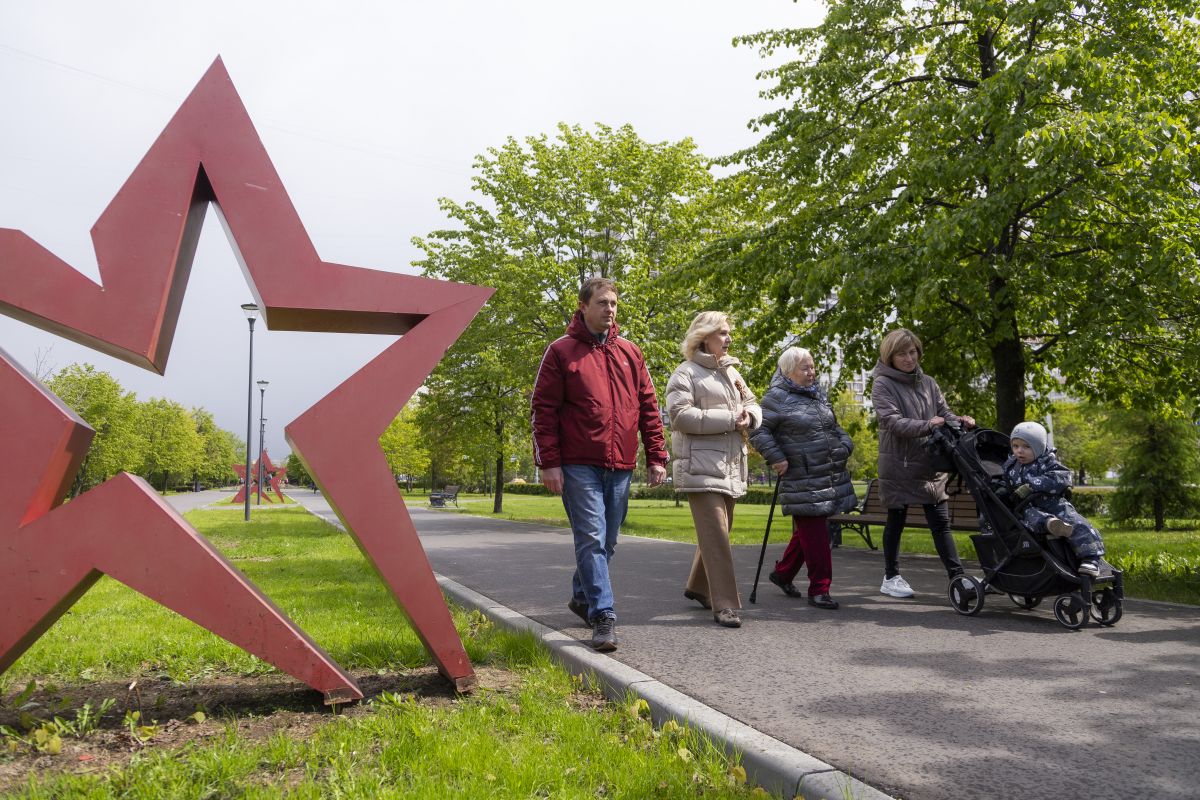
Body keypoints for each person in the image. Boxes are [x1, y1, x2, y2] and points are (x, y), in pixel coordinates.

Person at [531, 277, 669, 651]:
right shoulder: (561, 352)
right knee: (591, 538)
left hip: (621, 464)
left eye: (614, 304)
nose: (610, 309)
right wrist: (549, 463)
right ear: (583, 306)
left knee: (608, 541)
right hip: (578, 464)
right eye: (603, 302)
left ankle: (582, 596)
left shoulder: (630, 353)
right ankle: (603, 616)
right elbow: (543, 411)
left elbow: (649, 409)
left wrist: (657, 456)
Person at [666, 312, 761, 628]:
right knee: (718, 535)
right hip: (699, 467)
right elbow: (680, 416)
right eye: (722, 332)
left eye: (729, 332)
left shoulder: (732, 372)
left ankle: (697, 586)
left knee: (720, 531)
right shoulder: (685, 374)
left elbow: (752, 403)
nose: (728, 338)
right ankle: (725, 604)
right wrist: (729, 420)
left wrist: (751, 417)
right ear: (704, 336)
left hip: (731, 465)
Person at [871, 328, 976, 598]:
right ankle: (891, 576)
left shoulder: (927, 382)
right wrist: (927, 425)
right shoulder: (882, 384)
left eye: (912, 352)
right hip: (899, 462)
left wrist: (959, 420)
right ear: (890, 356)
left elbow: (944, 412)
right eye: (902, 354)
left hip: (931, 462)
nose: (909, 358)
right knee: (896, 519)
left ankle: (958, 578)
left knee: (940, 522)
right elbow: (892, 422)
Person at [749, 347, 857, 610]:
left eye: (813, 366)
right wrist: (776, 457)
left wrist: (845, 444)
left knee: (810, 532)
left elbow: (834, 427)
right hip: (801, 476)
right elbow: (758, 430)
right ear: (788, 372)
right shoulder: (777, 398)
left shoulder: (817, 394)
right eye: (805, 368)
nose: (812, 372)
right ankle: (820, 589)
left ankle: (783, 573)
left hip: (828, 472)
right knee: (817, 535)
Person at [1005, 421, 1106, 576]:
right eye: (1015, 446)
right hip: (1029, 507)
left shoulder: (1047, 462)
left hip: (1054, 505)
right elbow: (1004, 484)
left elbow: (1062, 478)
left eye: (1026, 447)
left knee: (1078, 523)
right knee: (1031, 517)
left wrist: (1031, 485)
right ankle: (1051, 524)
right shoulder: (1011, 466)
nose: (1020, 451)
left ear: (1038, 447)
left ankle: (1091, 559)